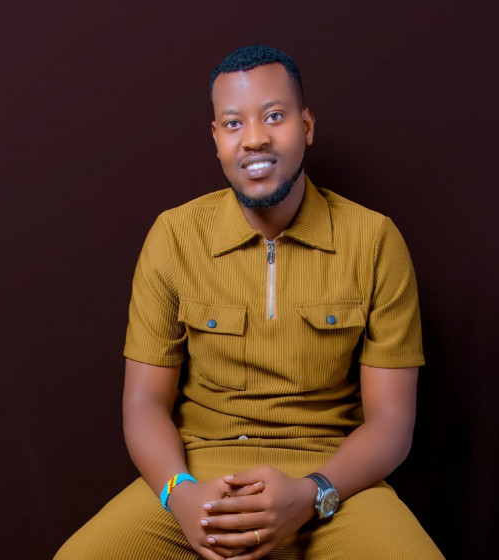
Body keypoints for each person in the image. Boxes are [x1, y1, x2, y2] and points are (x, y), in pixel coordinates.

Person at [55, 44, 444, 560]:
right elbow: (143, 403)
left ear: (307, 126)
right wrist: (180, 494)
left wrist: (312, 494)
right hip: (199, 476)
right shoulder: (174, 236)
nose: (255, 138)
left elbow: (391, 421)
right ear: (216, 138)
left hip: (332, 483)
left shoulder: (374, 241)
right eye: (234, 123)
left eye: (274, 116)